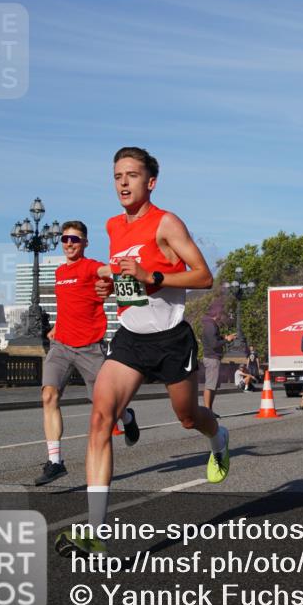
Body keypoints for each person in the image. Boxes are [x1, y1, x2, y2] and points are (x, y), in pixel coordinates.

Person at [55, 146, 227, 557]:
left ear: (150, 182)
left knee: (188, 418)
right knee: (100, 417)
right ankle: (95, 532)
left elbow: (204, 276)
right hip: (130, 337)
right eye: (117, 176)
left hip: (170, 339)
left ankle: (218, 437)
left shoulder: (166, 223)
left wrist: (152, 274)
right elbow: (126, 282)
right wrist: (110, 287)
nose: (123, 183)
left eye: (131, 175)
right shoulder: (114, 226)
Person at [35, 221, 140, 486]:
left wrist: (129, 268)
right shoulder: (59, 273)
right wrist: (57, 327)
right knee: (49, 395)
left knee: (106, 405)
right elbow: (69, 304)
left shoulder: (92, 267)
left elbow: (112, 272)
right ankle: (56, 462)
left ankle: (127, 417)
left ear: (85, 243)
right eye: (65, 239)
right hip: (61, 345)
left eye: (75, 239)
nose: (69, 243)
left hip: (90, 348)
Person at [201, 304, 236, 417]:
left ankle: (209, 410)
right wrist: (227, 340)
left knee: (214, 385)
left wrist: (224, 338)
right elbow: (214, 344)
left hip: (213, 358)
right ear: (216, 313)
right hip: (212, 358)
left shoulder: (210, 325)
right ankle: (207, 411)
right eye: (220, 312)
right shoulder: (211, 326)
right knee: (210, 385)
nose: (222, 315)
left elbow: (215, 340)